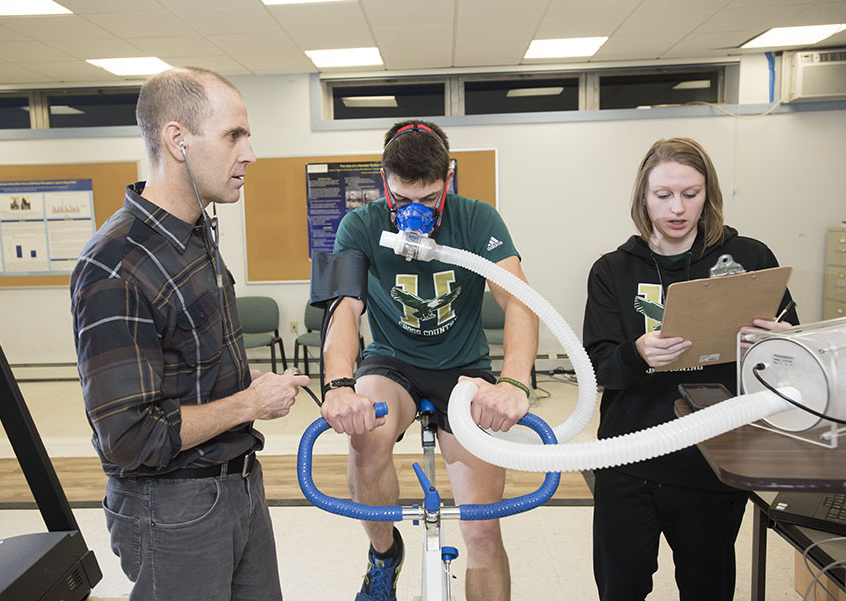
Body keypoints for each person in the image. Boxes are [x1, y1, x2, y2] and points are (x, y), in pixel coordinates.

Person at [70, 66, 309, 601]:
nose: (250, 153)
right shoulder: (116, 265)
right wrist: (249, 403)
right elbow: (131, 438)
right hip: (172, 507)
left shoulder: (194, 232)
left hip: (238, 484)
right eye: (233, 136)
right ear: (177, 140)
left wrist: (245, 399)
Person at [320, 120, 539, 601]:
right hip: (392, 363)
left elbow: (519, 301)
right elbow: (344, 310)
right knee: (366, 433)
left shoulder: (478, 219)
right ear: (384, 182)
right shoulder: (360, 224)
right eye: (401, 200)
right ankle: (384, 554)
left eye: (429, 198)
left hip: (464, 369)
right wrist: (338, 385)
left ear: (449, 180)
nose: (414, 213)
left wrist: (514, 383)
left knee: (482, 532)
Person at [582, 137, 798, 601]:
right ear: (643, 197)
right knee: (620, 588)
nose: (678, 208)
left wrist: (771, 344)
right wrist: (637, 355)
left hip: (711, 462)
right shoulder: (612, 270)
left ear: (709, 193)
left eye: (691, 193)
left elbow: (792, 361)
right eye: (663, 196)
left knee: (707, 587)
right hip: (629, 458)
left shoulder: (750, 259)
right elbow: (599, 368)